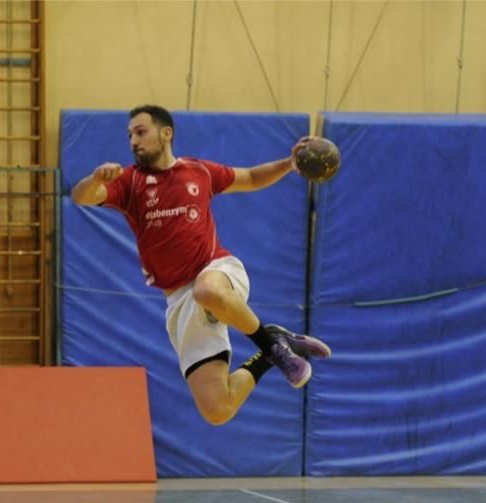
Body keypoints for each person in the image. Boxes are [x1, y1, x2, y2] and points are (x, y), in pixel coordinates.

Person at [72, 104, 331, 425]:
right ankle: (271, 346)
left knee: (207, 291)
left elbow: (249, 177)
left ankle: (275, 349)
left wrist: (289, 163)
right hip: (179, 299)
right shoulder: (130, 183)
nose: (133, 142)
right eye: (129, 136)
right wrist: (94, 179)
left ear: (166, 133)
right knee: (217, 409)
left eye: (141, 132)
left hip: (218, 271)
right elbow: (82, 196)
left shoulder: (198, 171)